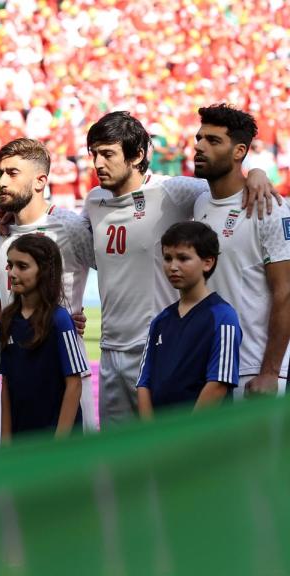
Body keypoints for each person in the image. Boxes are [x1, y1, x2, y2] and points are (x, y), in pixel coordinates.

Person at [83, 112, 277, 426]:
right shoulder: (93, 201)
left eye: (107, 154)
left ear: (138, 155)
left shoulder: (175, 191)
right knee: (116, 460)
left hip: (157, 349)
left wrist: (256, 172)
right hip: (109, 352)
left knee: (163, 454)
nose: (98, 163)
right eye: (94, 154)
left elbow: (223, 185)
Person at [0, 138, 96, 431]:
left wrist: (69, 315)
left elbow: (114, 268)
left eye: (13, 173)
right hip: (16, 365)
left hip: (63, 369)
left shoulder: (70, 226)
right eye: (1, 173)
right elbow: (7, 298)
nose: (2, 181)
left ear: (41, 180)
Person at [191, 104, 290, 396]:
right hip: (212, 368)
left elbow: (285, 291)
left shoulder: (270, 207)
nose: (199, 146)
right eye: (199, 138)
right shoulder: (198, 204)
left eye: (213, 140)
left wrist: (270, 372)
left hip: (254, 371)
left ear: (239, 151)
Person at [137, 222, 241, 416]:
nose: (173, 266)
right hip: (159, 438)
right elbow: (144, 382)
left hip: (201, 439)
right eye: (167, 258)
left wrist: (184, 438)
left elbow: (218, 383)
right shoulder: (160, 321)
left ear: (208, 262)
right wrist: (150, 435)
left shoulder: (223, 317)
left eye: (183, 258)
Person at [0, 235, 86, 440]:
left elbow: (74, 384)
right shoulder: (6, 321)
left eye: (22, 266)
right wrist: (5, 441)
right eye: (10, 265)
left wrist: (59, 443)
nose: (12, 273)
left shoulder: (60, 319)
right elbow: (6, 385)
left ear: (44, 271)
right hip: (22, 439)